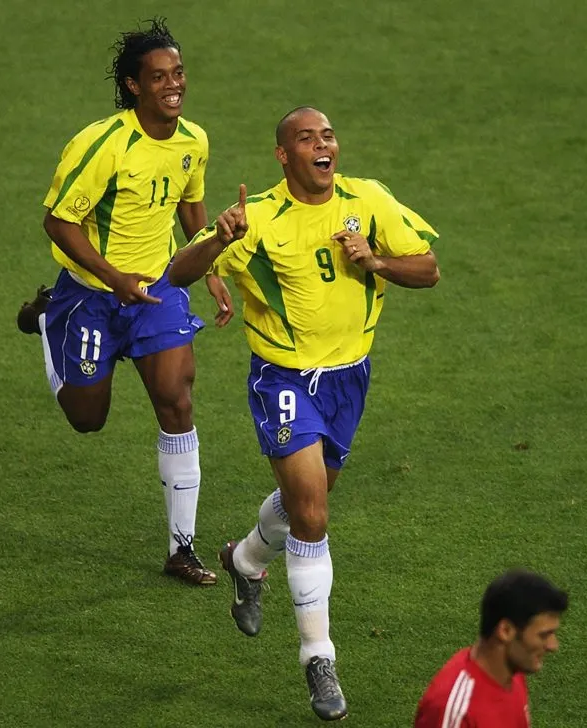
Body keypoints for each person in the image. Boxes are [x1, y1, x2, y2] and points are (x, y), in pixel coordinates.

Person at [169, 106, 440, 721]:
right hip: (284, 379)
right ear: (283, 155)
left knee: (301, 506)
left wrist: (377, 262)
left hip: (350, 379)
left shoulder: (367, 201)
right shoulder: (258, 218)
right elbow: (177, 273)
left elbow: (428, 269)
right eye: (306, 138)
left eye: (328, 135)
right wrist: (219, 237)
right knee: (313, 513)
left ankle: (245, 561)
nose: (323, 146)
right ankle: (318, 659)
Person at [15, 18, 233, 586]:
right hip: (92, 297)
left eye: (178, 73)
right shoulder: (102, 145)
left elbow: (190, 203)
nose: (173, 85)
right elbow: (59, 222)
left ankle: (182, 548)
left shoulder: (194, 139)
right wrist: (111, 277)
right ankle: (47, 322)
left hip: (158, 291)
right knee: (87, 420)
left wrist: (207, 265)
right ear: (134, 86)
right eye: (159, 77)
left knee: (176, 399)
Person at [414, 569, 569, 728]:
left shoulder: (512, 673)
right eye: (544, 635)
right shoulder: (456, 712)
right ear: (506, 631)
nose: (553, 646)